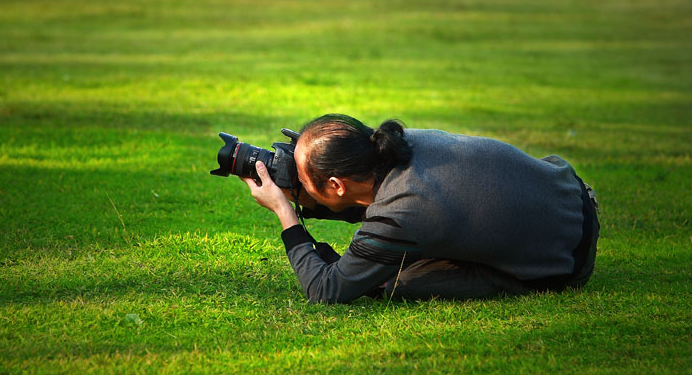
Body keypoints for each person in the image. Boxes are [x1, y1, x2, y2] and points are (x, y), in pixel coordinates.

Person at [241, 114, 600, 304]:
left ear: (335, 185)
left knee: (399, 280)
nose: (301, 187)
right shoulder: (399, 144)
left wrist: (285, 213)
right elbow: (364, 203)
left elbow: (326, 288)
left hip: (563, 263)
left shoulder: (403, 211)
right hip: (568, 191)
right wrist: (302, 193)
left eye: (304, 181)